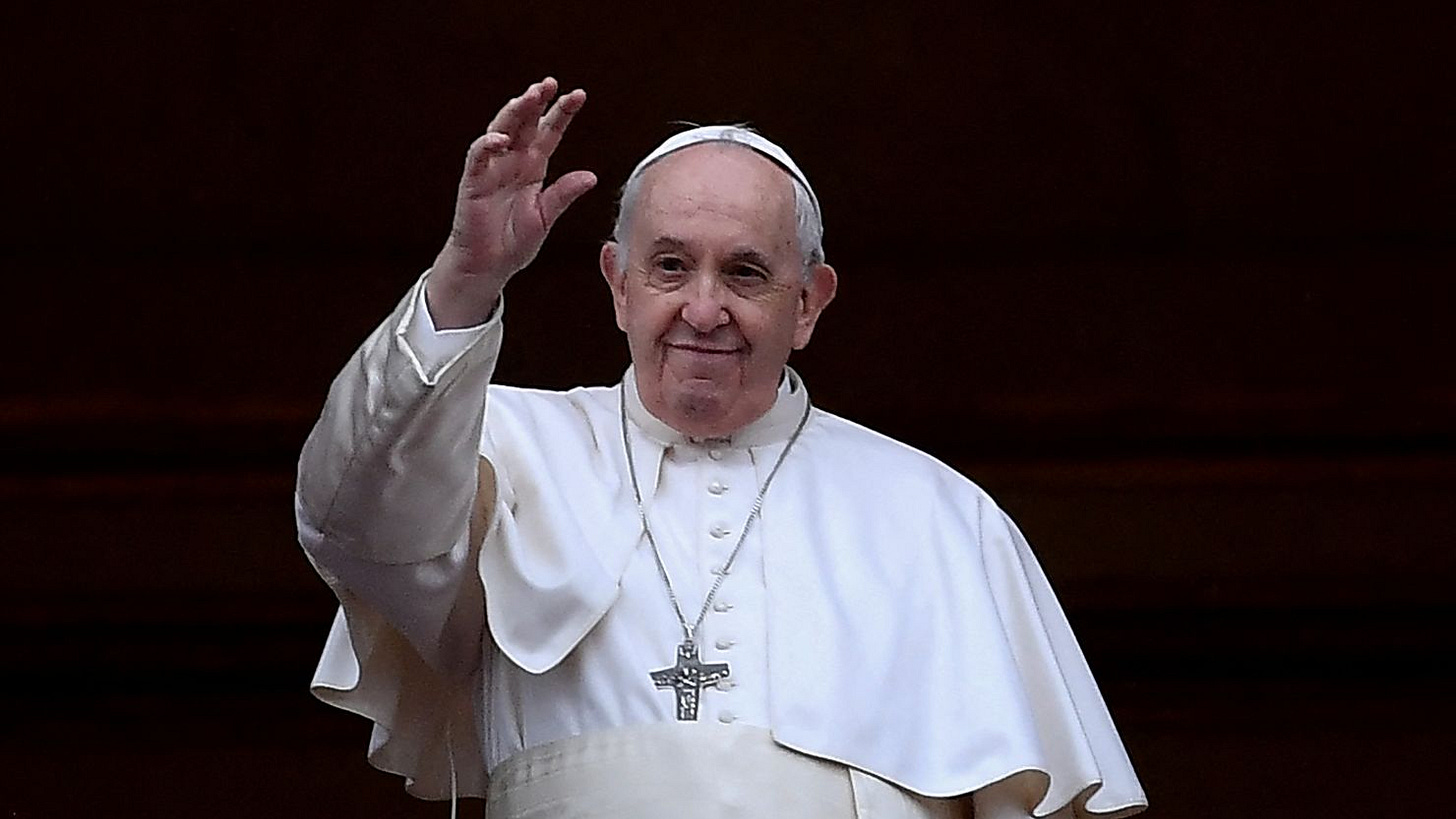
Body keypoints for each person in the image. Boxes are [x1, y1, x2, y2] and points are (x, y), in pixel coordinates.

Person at [297, 77, 1147, 818]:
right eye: (670, 266)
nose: (704, 311)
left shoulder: (940, 515)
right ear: (618, 285)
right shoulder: (500, 449)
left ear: (808, 303)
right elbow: (352, 522)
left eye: (745, 273)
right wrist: (466, 277)